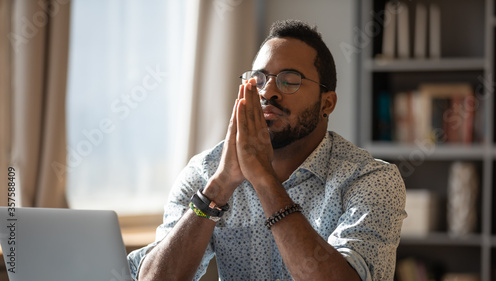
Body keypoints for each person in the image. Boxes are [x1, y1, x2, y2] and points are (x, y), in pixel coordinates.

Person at [127, 19, 406, 281]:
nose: (268, 92)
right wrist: (220, 187)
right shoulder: (207, 172)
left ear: (327, 104)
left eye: (290, 80)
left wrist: (265, 181)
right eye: (259, 80)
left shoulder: (371, 180)